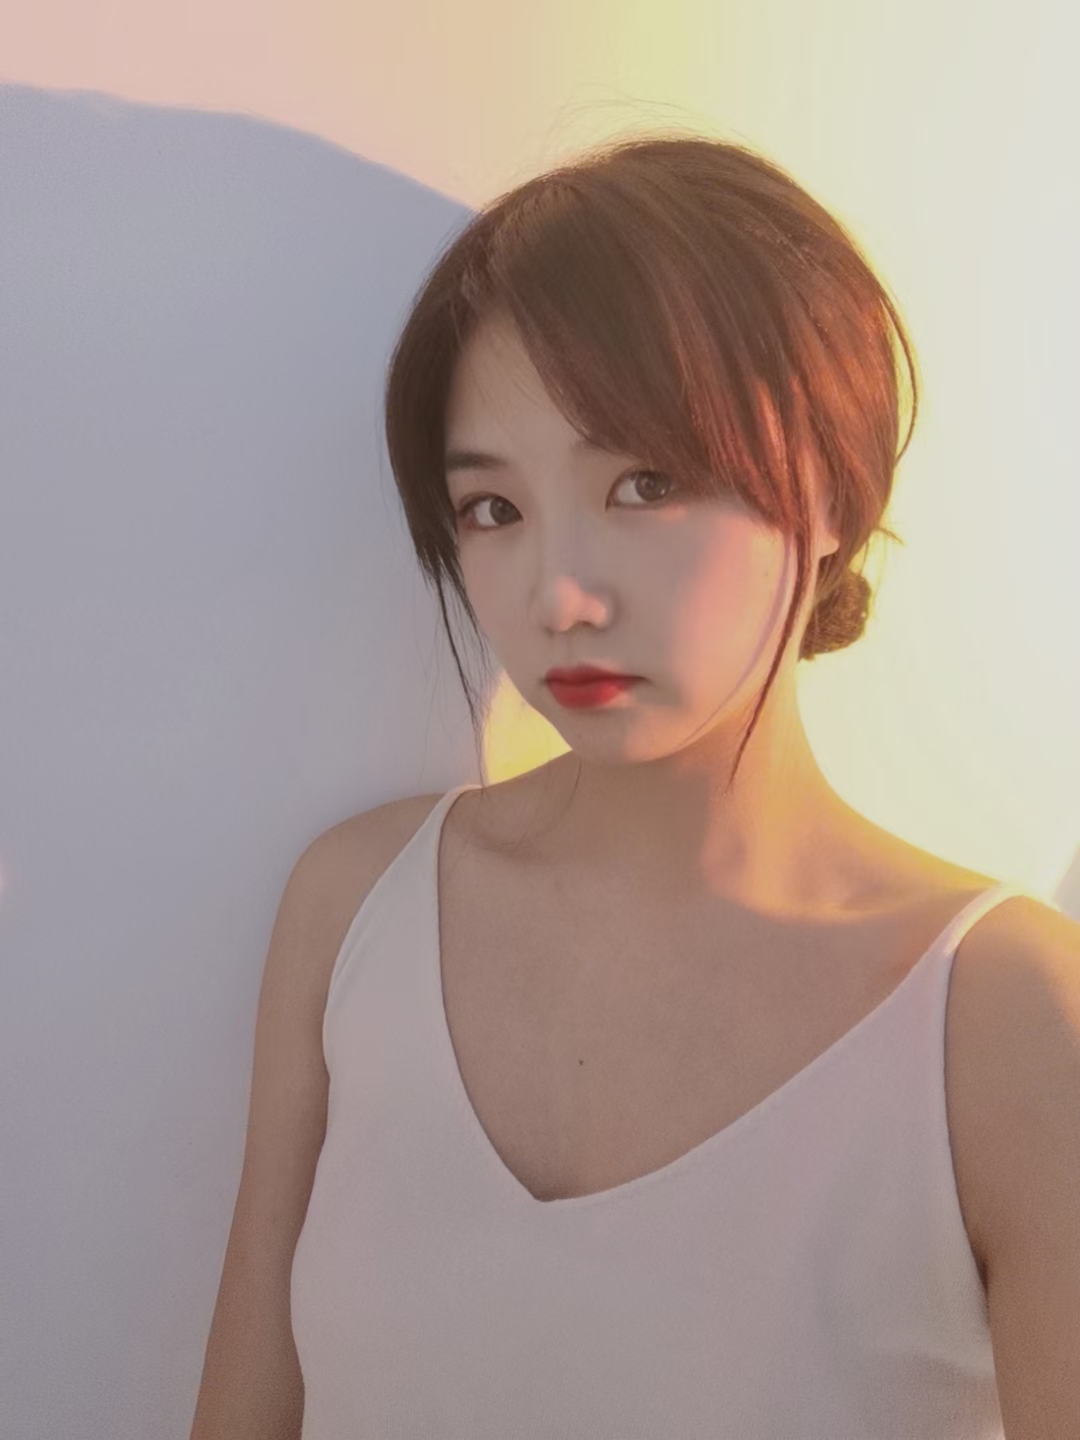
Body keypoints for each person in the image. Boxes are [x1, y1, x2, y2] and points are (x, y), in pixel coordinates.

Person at [194, 133, 1078, 1440]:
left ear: (832, 486)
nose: (559, 595)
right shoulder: (356, 907)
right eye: (493, 510)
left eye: (644, 483)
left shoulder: (1000, 1014)